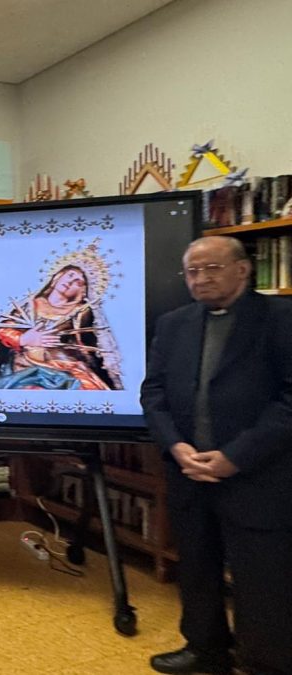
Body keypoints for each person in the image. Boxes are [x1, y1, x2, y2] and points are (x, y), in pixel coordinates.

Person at [141, 235, 292, 675]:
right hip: (188, 470)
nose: (201, 278)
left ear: (242, 269)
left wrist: (236, 456)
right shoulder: (173, 323)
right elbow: (153, 393)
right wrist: (175, 446)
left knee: (262, 576)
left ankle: (266, 662)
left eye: (212, 268)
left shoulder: (282, 318)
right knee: (196, 566)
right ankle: (204, 649)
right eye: (192, 271)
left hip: (258, 472)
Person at [0, 247, 123, 390]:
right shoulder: (31, 304)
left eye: (78, 282)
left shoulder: (80, 312)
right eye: (70, 275)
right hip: (25, 365)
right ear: (58, 276)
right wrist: (24, 339)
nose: (70, 282)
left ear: (82, 292)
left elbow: (88, 347)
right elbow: (4, 329)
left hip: (64, 367)